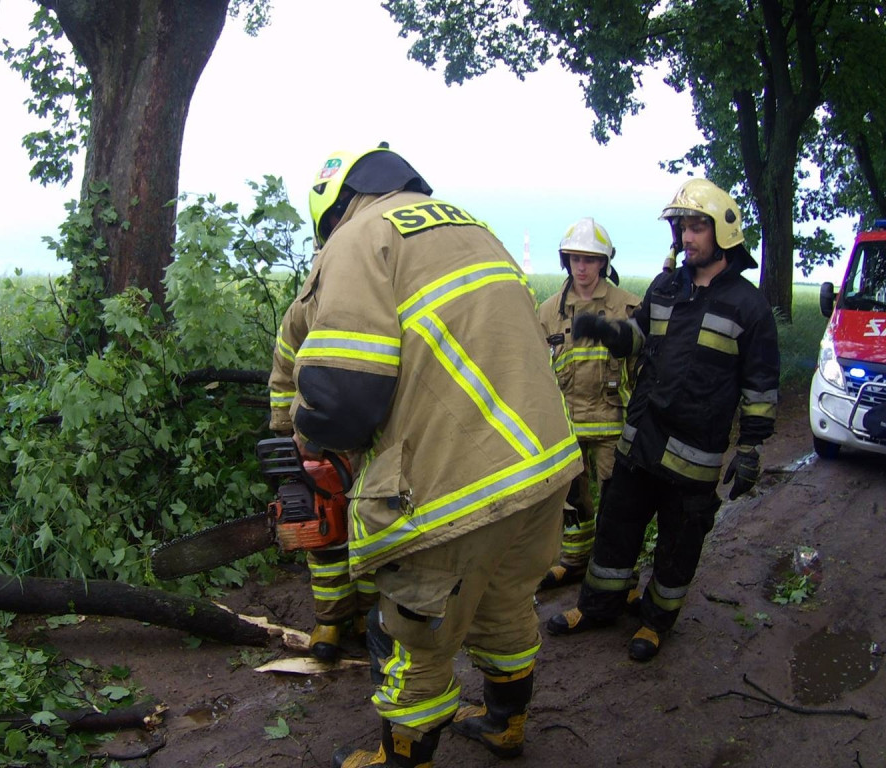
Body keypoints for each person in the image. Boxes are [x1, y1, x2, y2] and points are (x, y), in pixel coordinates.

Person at [280, 143, 583, 767]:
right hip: (546, 465)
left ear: (331, 211)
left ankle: (401, 761)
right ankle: (506, 724)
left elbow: (343, 395)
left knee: (407, 638)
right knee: (504, 608)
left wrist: (311, 450)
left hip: (456, 489)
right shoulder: (469, 225)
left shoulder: (358, 237)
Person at [546, 178, 779, 662]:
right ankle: (598, 607)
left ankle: (655, 622)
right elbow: (638, 339)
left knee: (678, 544)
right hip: (641, 441)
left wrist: (751, 448)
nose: (687, 237)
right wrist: (607, 333)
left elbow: (759, 387)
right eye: (682, 228)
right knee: (615, 528)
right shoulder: (667, 286)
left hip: (694, 457)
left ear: (723, 233)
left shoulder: (748, 306)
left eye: (697, 227)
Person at [537, 218, 641, 589]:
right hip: (567, 426)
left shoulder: (627, 308)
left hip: (614, 422)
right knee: (572, 500)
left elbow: (641, 368)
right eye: (575, 259)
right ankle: (575, 560)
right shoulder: (549, 311)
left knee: (618, 500)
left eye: (590, 260)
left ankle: (615, 570)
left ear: (604, 264)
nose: (582, 267)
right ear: (566, 261)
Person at [269, 309, 379, 661]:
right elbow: (285, 368)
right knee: (325, 537)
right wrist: (286, 429)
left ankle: (368, 614)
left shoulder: (379, 297)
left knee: (374, 529)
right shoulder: (304, 308)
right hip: (317, 440)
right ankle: (329, 620)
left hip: (373, 439)